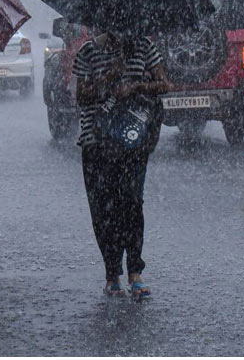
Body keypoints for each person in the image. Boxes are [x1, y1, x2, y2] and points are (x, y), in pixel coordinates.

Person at [73, 30, 170, 299]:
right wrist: (109, 77)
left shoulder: (144, 46)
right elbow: (81, 96)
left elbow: (164, 84)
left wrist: (136, 86)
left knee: (132, 203)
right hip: (96, 142)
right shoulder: (88, 52)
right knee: (103, 209)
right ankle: (112, 273)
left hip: (132, 141)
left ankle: (135, 272)